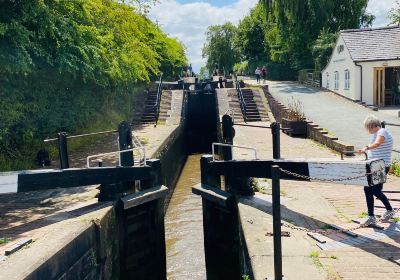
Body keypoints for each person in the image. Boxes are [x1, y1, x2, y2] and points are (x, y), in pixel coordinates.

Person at [358, 115, 395, 226]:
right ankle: (371, 216)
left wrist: (367, 148)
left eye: (367, 128)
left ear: (372, 126)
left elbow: (378, 144)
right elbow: (376, 146)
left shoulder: (382, 132)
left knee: (375, 190)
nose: (367, 130)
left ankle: (389, 210)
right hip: (374, 166)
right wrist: (366, 148)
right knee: (367, 189)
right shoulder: (377, 133)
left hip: (380, 166)